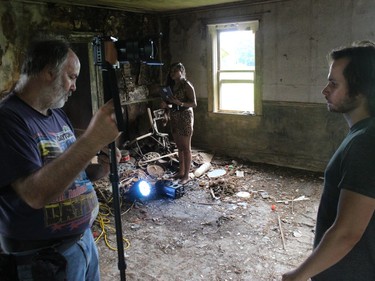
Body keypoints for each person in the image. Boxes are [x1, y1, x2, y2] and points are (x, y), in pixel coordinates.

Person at [0, 38, 121, 281]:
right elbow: (34, 194)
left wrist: (105, 165)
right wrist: (91, 140)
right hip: (42, 259)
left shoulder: (57, 114)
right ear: (48, 73)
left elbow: (75, 175)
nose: (74, 86)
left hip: (82, 243)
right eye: (72, 77)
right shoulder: (8, 119)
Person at [282, 41, 375, 281]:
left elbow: (347, 232)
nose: (325, 90)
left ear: (361, 89)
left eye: (334, 83)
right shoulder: (363, 134)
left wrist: (297, 276)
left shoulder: (366, 141)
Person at [161, 62, 197, 185]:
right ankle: (181, 171)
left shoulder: (187, 85)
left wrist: (179, 103)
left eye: (174, 71)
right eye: (170, 72)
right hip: (174, 116)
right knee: (179, 147)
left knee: (186, 148)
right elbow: (170, 103)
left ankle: (186, 175)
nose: (172, 74)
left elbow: (194, 104)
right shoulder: (171, 86)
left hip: (185, 116)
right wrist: (166, 106)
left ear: (181, 70)